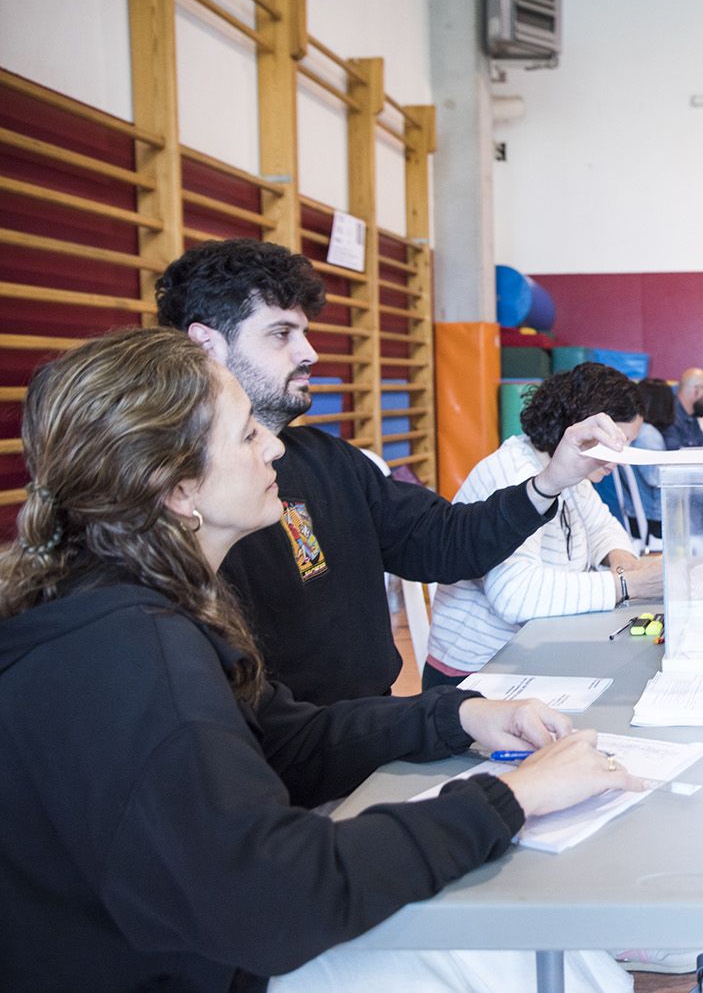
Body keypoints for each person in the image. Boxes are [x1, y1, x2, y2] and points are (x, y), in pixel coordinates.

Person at [0, 328, 641, 992]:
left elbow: (286, 738)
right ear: (179, 489)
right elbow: (271, 900)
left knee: (556, 958)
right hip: (187, 968)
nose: (274, 445)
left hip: (203, 943)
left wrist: (459, 717)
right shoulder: (135, 657)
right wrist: (509, 797)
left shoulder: (132, 602)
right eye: (248, 434)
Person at [155, 238, 626, 704]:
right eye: (281, 334)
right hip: (297, 757)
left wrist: (550, 482)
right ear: (207, 345)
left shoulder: (331, 460)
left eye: (303, 331)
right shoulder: (180, 499)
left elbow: (447, 542)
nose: (308, 352)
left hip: (373, 728)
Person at [425, 364, 664, 688]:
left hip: (526, 653)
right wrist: (628, 585)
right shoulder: (513, 473)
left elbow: (601, 528)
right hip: (476, 675)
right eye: (609, 447)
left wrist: (622, 560)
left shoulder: (568, 470)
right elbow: (515, 594)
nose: (615, 462)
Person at [625, 377, 677, 542]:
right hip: (652, 516)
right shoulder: (649, 435)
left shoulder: (640, 431)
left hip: (636, 512)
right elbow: (655, 477)